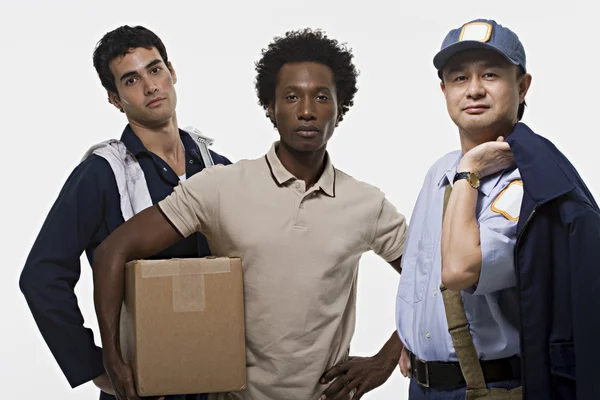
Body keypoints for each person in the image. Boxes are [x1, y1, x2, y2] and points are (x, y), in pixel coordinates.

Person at [92, 28, 408, 400]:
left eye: (321, 97)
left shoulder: (365, 203)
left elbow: (434, 276)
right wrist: (113, 358)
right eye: (291, 97)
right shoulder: (220, 187)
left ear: (340, 109)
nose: (306, 111)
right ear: (270, 108)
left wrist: (386, 358)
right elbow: (113, 251)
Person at [19, 25, 231, 400]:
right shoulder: (103, 173)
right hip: (145, 387)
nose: (150, 86)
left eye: (155, 69)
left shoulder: (217, 167)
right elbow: (42, 275)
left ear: (172, 72)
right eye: (131, 80)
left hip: (222, 382)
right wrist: (96, 367)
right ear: (114, 99)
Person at [396, 18, 600, 399]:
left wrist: (470, 172)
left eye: (490, 75)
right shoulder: (440, 171)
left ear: (522, 87)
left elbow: (459, 270)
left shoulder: (530, 185)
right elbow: (421, 272)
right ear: (443, 90)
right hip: (420, 388)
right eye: (459, 78)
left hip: (488, 389)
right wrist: (415, 335)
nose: (473, 90)